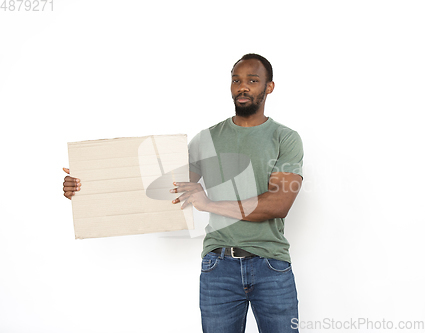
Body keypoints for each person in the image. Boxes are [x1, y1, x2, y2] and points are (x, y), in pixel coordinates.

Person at [63, 53, 303, 333]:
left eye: (252, 80)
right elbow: (162, 188)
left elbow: (278, 204)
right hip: (219, 267)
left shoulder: (284, 138)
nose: (242, 87)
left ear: (269, 87)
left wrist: (209, 203)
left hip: (271, 265)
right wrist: (87, 186)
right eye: (236, 80)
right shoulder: (207, 138)